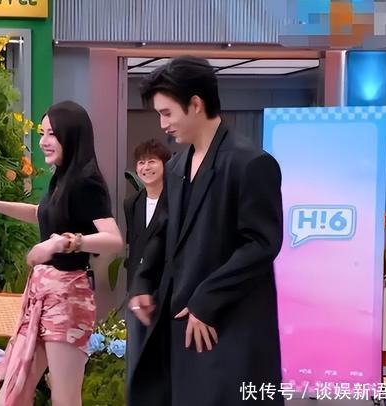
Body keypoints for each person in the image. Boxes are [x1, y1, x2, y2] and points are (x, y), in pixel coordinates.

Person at [128, 56, 284, 406]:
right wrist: (143, 281)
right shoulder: (177, 167)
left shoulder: (250, 163)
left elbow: (261, 243)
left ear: (196, 104)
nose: (163, 124)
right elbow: (163, 232)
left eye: (167, 113)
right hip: (181, 328)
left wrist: (206, 299)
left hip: (229, 326)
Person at [0, 100, 124, 406]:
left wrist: (64, 243)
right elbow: (41, 212)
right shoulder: (61, 177)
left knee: (64, 399)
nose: (43, 142)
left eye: (52, 134)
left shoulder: (86, 181)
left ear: (71, 136)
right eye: (42, 133)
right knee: (12, 394)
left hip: (68, 299)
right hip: (40, 297)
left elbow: (113, 239)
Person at [123, 138, 170, 385]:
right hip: (136, 290)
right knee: (136, 357)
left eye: (152, 161)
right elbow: (134, 244)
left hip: (166, 289)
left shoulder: (176, 201)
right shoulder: (132, 203)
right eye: (141, 163)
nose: (145, 167)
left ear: (165, 165)